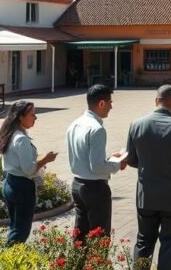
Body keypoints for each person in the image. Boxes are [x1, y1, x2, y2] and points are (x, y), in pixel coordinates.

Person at [125, 85, 171, 270]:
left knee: (143, 242)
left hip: (146, 195)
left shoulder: (136, 124)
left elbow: (132, 159)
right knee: (169, 244)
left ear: (155, 101)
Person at [66, 84, 127, 237]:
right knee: (99, 236)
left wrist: (110, 159)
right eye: (110, 102)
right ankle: (96, 262)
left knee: (81, 234)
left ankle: (79, 261)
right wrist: (118, 163)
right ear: (101, 103)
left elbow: (86, 158)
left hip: (77, 185)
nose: (111, 107)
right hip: (94, 189)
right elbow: (97, 167)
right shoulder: (97, 129)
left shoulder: (74, 124)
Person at [0, 101, 58, 246]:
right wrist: (45, 160)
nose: (35, 117)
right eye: (32, 114)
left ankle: (8, 256)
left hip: (10, 182)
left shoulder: (10, 134)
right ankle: (10, 259)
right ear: (20, 117)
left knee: (15, 226)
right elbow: (28, 170)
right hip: (22, 187)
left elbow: (19, 162)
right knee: (21, 231)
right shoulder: (21, 139)